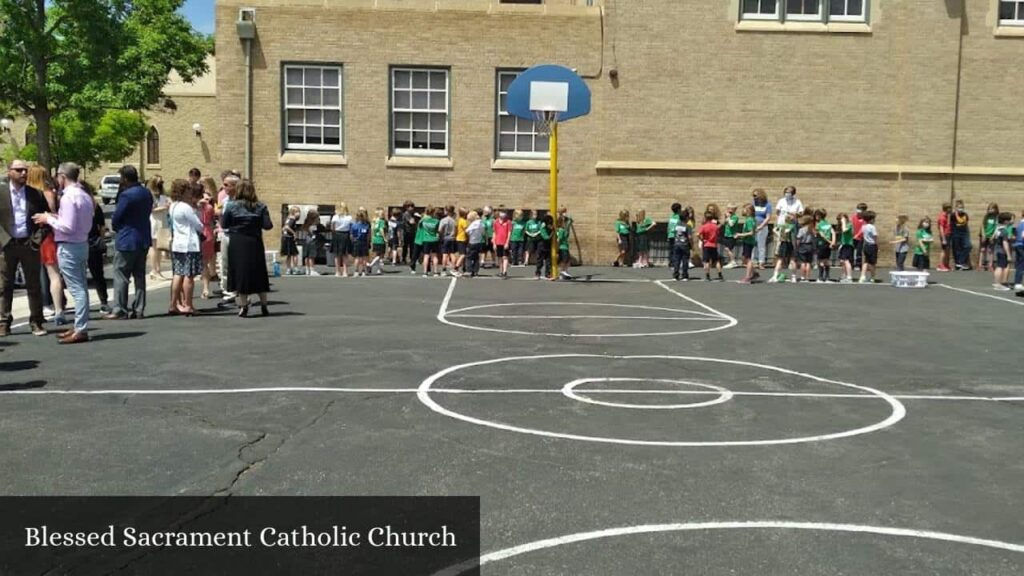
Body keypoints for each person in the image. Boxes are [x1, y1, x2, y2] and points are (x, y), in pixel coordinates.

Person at [33, 163, 92, 344]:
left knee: (77, 289)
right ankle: (79, 325)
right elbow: (77, 222)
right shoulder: (84, 195)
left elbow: (67, 227)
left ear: (62, 176)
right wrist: (55, 218)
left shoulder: (68, 197)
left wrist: (48, 218)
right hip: (81, 243)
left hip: (70, 246)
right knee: (80, 285)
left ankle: (81, 328)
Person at [0, 160, 48, 336]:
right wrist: (3, 240)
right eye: (18, 170)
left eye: (25, 170)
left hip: (29, 244)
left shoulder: (35, 194)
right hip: (7, 245)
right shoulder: (2, 192)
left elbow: (46, 219)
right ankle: (4, 322)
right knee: (4, 286)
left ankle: (36, 321)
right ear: (9, 172)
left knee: (34, 285)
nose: (23, 173)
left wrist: (37, 240)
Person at [104, 165, 152, 320]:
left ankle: (120, 308)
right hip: (143, 237)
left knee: (121, 274)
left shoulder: (126, 195)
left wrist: (118, 228)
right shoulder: (146, 193)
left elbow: (117, 217)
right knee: (139, 275)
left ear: (125, 178)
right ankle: (139, 308)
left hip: (127, 238)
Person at [220, 179, 273, 317]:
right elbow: (268, 225)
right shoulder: (261, 206)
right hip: (254, 241)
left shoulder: (231, 206)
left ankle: (244, 306)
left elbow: (224, 224)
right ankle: (264, 305)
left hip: (238, 241)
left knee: (240, 272)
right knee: (259, 272)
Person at [27, 166, 66, 325]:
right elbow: (52, 213)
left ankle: (45, 306)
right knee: (53, 273)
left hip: (32, 237)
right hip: (46, 235)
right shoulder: (47, 192)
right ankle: (57, 308)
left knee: (37, 275)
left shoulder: (27, 195)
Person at [167, 180, 205, 315]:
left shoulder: (173, 206)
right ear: (183, 191)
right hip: (189, 244)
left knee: (178, 273)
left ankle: (173, 304)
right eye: (188, 190)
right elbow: (198, 224)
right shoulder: (186, 207)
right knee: (189, 275)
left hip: (178, 242)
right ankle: (188, 304)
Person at [86, 183, 110, 314]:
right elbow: (101, 226)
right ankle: (104, 302)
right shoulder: (95, 207)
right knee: (98, 274)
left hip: (79, 242)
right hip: (93, 241)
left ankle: (82, 304)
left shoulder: (78, 205)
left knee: (78, 276)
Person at [215, 172, 240, 299]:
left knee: (237, 263)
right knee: (224, 262)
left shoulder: (241, 201)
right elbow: (219, 213)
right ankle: (227, 290)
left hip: (236, 235)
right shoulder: (225, 201)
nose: (224, 187)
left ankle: (238, 289)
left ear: (234, 186)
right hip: (225, 233)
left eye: (226, 185)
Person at [197, 178, 218, 297]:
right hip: (208, 231)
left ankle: (205, 288)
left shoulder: (200, 203)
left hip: (201, 231)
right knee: (206, 262)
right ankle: (205, 288)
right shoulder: (209, 202)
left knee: (203, 263)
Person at [147, 175, 169, 280]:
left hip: (163, 220)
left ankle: (159, 269)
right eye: (159, 182)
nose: (161, 184)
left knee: (160, 247)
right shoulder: (150, 194)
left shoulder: (162, 194)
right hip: (155, 221)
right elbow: (151, 209)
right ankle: (154, 270)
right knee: (154, 247)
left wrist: (166, 206)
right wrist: (163, 207)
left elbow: (164, 205)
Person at [734, 204, 759, 284]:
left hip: (749, 241)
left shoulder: (749, 220)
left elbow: (751, 232)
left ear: (749, 211)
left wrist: (739, 234)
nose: (743, 211)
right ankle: (754, 273)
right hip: (747, 241)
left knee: (748, 259)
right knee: (745, 258)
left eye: (744, 209)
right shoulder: (750, 219)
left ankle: (748, 277)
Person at [768, 215, 796, 284]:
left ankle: (775, 276)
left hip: (783, 243)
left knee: (780, 259)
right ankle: (793, 277)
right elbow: (789, 232)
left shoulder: (781, 225)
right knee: (792, 260)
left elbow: (774, 229)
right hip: (789, 243)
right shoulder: (792, 226)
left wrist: (778, 234)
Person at [697, 211, 722, 281]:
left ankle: (707, 276)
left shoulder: (704, 226)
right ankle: (720, 275)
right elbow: (718, 234)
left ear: (705, 218)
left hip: (706, 244)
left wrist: (702, 239)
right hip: (714, 245)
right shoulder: (715, 226)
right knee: (716, 261)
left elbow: (698, 234)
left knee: (706, 261)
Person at [991, 212, 1013, 291]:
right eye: (1009, 220)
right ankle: (997, 284)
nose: (1011, 221)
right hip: (1002, 251)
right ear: (1005, 221)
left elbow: (993, 238)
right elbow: (1005, 243)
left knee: (999, 266)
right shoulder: (1004, 231)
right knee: (1000, 267)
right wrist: (1008, 254)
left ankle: (996, 282)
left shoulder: (998, 229)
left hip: (997, 250)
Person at [330, 202, 353, 277]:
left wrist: (335, 232)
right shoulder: (349, 217)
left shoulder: (335, 217)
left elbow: (332, 227)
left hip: (337, 234)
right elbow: (350, 227)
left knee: (337, 254)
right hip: (345, 235)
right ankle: (345, 272)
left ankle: (337, 272)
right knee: (345, 254)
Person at [670, 209, 693, 282]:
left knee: (677, 260)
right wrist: (691, 244)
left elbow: (674, 232)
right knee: (685, 260)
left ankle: (675, 275)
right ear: (686, 218)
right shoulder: (687, 226)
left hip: (677, 243)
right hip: (684, 244)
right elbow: (689, 237)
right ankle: (684, 275)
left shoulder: (677, 224)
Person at [751, 190, 772, 268]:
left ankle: (761, 262)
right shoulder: (753, 203)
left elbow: (768, 217)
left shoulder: (767, 205)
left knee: (761, 245)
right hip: (754, 225)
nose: (754, 197)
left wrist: (761, 226)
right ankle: (752, 262)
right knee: (752, 244)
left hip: (762, 226)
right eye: (753, 196)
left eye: (755, 195)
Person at [419, 207, 441, 277]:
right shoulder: (436, 221)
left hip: (426, 239)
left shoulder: (423, 220)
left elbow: (419, 226)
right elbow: (438, 230)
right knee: (434, 256)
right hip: (434, 239)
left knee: (426, 256)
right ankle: (435, 272)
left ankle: (425, 272)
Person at [950, 199, 971, 270]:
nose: (960, 209)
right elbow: (951, 224)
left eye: (962, 207)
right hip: (956, 233)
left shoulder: (965, 215)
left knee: (968, 246)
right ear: (956, 208)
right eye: (959, 207)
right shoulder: (953, 215)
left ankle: (960, 262)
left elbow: (966, 223)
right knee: (957, 249)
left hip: (964, 233)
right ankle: (958, 264)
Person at [815, 209, 835, 282]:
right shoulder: (828, 224)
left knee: (820, 260)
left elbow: (822, 235)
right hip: (828, 245)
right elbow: (833, 233)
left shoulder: (819, 225)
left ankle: (820, 277)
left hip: (821, 244)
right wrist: (833, 242)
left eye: (816, 215)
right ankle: (827, 277)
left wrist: (829, 241)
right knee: (827, 260)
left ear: (819, 216)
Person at [858, 211, 879, 283]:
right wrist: (877, 245)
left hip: (866, 245)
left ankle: (862, 276)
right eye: (874, 219)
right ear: (871, 219)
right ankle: (873, 277)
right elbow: (875, 237)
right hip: (872, 245)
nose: (874, 220)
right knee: (873, 263)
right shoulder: (872, 227)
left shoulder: (864, 226)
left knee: (866, 262)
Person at [350, 207, 371, 277]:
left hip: (356, 242)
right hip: (364, 242)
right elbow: (368, 235)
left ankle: (356, 271)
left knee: (357, 258)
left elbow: (351, 235)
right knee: (364, 258)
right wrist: (368, 243)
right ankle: (363, 271)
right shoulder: (366, 225)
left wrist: (353, 241)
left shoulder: (354, 225)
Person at [302, 210, 324, 276]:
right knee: (311, 256)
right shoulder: (313, 225)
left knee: (306, 256)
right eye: (317, 217)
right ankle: (312, 270)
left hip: (306, 241)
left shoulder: (306, 223)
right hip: (312, 242)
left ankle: (307, 269)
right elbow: (313, 233)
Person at [979, 203, 1000, 271]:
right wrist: (983, 234)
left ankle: (990, 265)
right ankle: (980, 264)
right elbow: (982, 226)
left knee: (991, 250)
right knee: (982, 250)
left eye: (992, 209)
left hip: (991, 236)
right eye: (989, 209)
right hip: (985, 235)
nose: (990, 210)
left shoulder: (996, 218)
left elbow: (996, 227)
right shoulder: (986, 217)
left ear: (995, 209)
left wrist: (993, 236)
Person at [281, 205, 301, 276]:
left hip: (286, 237)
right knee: (295, 254)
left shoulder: (288, 218)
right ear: (293, 212)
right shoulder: (292, 219)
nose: (299, 214)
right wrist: (294, 233)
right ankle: (295, 268)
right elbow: (287, 227)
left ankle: (288, 269)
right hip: (289, 238)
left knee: (289, 255)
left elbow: (284, 228)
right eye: (298, 212)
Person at [493, 208, 512, 278]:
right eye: (501, 212)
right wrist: (494, 243)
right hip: (498, 242)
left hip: (505, 242)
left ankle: (505, 272)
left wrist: (507, 242)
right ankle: (501, 271)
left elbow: (509, 232)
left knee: (505, 257)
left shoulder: (508, 222)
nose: (502, 214)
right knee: (499, 257)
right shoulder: (496, 222)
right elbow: (494, 232)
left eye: (504, 212)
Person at [438, 205, 457, 275]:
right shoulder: (454, 221)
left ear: (447, 211)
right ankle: (454, 268)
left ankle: (443, 270)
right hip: (452, 238)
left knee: (445, 254)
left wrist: (441, 235)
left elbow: (440, 230)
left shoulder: (443, 220)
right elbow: (455, 231)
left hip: (445, 238)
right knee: (452, 253)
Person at [534, 214, 553, 280]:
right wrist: (552, 233)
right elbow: (546, 237)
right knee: (540, 261)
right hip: (542, 245)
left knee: (548, 261)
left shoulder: (549, 227)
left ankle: (547, 274)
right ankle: (537, 273)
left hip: (548, 246)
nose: (550, 224)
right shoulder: (543, 227)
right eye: (549, 223)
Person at [836, 213, 855, 283]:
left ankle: (849, 277)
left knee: (846, 261)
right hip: (844, 245)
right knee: (842, 261)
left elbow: (844, 230)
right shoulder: (842, 226)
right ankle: (845, 275)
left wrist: (844, 221)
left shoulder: (849, 225)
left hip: (848, 245)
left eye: (841, 219)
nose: (840, 221)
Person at [465, 210, 483, 278]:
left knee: (469, 257)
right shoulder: (481, 223)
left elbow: (467, 231)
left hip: (472, 242)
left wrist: (470, 234)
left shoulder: (474, 224)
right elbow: (483, 232)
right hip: (479, 242)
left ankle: (469, 271)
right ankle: (476, 271)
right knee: (476, 257)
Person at [721, 203, 740, 269]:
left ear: (734, 210)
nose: (729, 210)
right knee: (728, 249)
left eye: (731, 209)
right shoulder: (729, 217)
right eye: (728, 209)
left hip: (732, 235)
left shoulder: (735, 217)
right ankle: (731, 261)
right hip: (727, 234)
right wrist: (725, 218)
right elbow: (724, 224)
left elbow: (731, 224)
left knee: (728, 249)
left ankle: (733, 262)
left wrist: (728, 217)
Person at [370, 208, 387, 275]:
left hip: (375, 239)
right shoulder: (381, 221)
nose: (383, 215)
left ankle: (379, 269)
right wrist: (384, 238)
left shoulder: (374, 221)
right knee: (380, 255)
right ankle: (370, 265)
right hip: (380, 239)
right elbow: (381, 230)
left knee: (377, 254)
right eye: (382, 214)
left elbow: (372, 230)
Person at [937, 202, 952, 272]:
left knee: (947, 250)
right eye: (949, 208)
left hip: (948, 234)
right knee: (943, 250)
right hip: (944, 235)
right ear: (946, 209)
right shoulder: (942, 217)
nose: (950, 209)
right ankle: (940, 265)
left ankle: (945, 264)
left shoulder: (947, 216)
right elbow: (941, 228)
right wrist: (943, 239)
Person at [556, 214, 572, 279]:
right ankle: (562, 271)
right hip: (562, 247)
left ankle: (563, 272)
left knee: (568, 260)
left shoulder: (563, 229)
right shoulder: (561, 230)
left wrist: (564, 215)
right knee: (564, 260)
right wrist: (557, 247)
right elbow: (558, 239)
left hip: (565, 246)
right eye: (563, 222)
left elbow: (570, 221)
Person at [1013, 210, 1024, 292]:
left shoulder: (1019, 224)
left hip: (1017, 244)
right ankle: (1018, 283)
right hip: (1021, 245)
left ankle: (1017, 282)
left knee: (1019, 264)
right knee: (1021, 264)